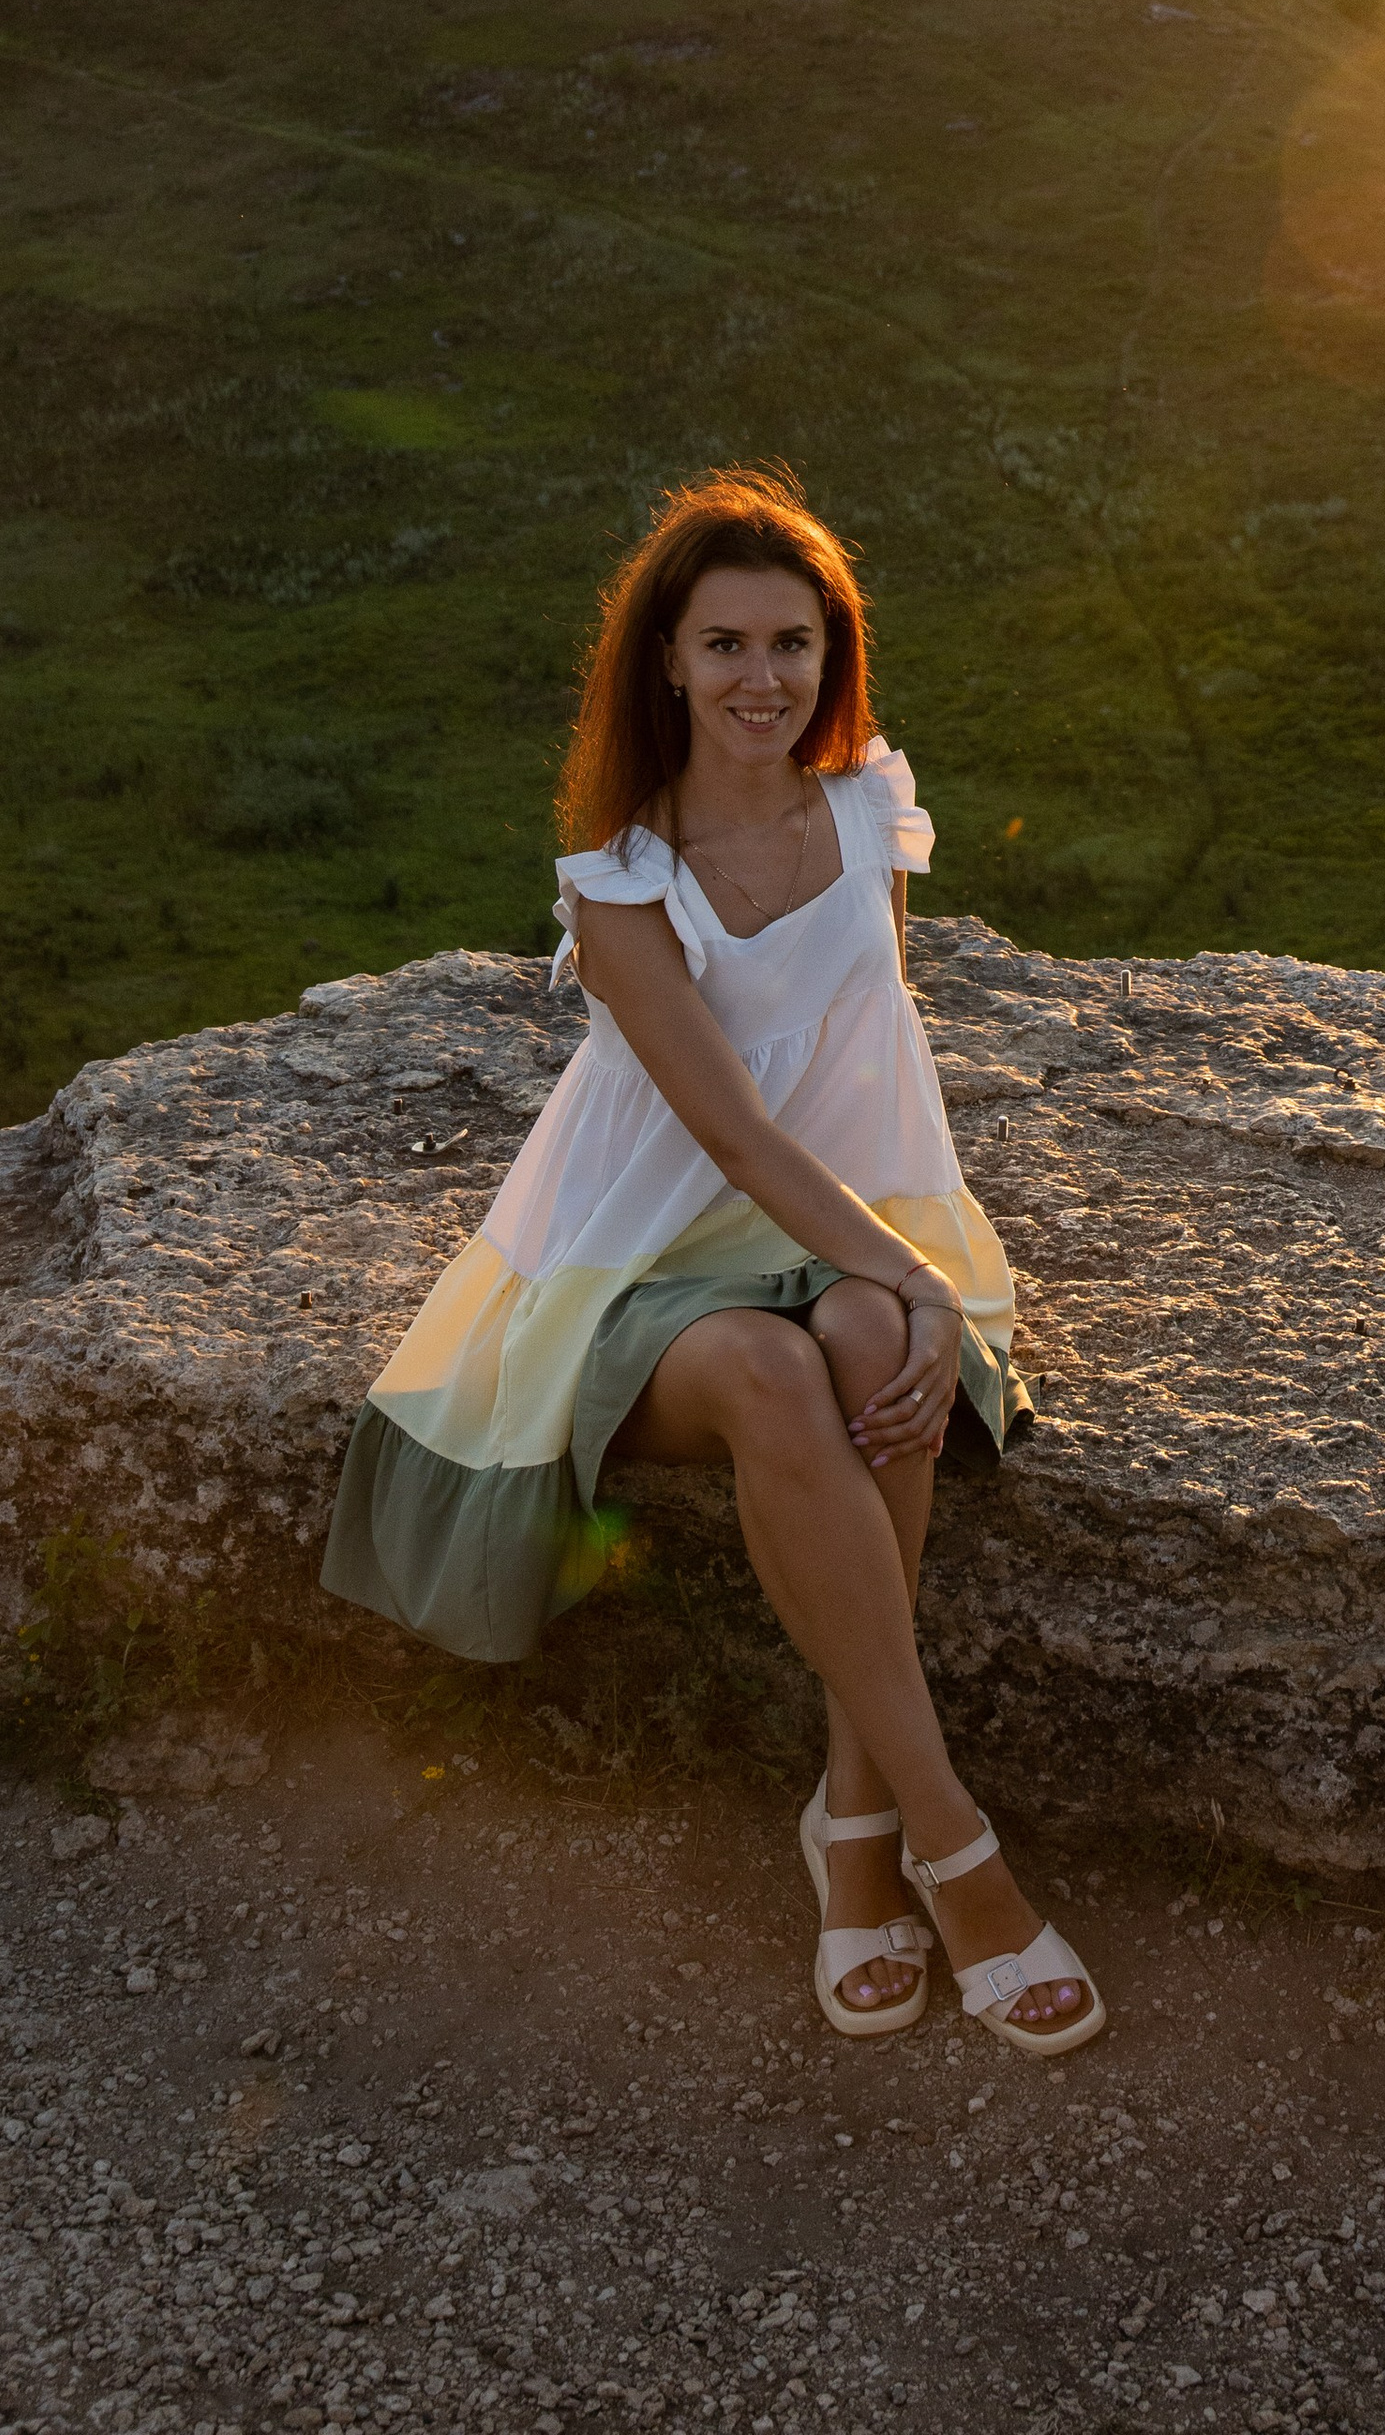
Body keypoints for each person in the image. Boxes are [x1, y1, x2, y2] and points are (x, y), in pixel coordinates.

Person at [324, 466, 1102, 2057]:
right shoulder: (623, 882)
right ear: (665, 662)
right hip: (640, 1252)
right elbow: (735, 1136)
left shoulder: (869, 806)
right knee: (769, 1368)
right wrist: (898, 1266)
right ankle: (953, 1846)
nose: (765, 679)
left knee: (877, 1354)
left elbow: (864, 1049)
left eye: (794, 644)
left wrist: (894, 1268)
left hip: (839, 1208)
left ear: (836, 656)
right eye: (728, 644)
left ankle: (850, 1830)